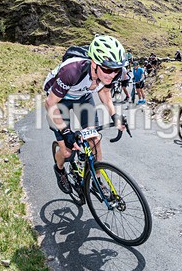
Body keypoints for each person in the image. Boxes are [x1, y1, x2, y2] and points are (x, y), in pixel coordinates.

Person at [43, 35, 128, 194]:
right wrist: (66, 131)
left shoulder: (110, 73)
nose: (111, 74)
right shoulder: (72, 71)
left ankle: (96, 180)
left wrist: (115, 116)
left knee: (94, 140)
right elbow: (50, 104)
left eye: (116, 70)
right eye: (108, 69)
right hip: (58, 100)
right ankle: (60, 169)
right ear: (94, 63)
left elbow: (105, 95)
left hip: (82, 96)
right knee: (68, 151)